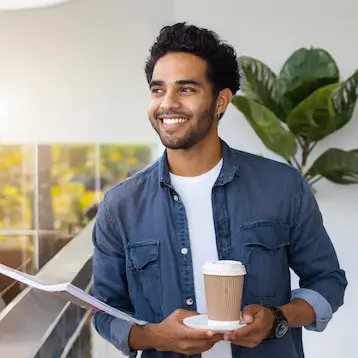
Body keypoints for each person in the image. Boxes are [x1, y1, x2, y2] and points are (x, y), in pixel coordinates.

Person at [92, 22, 347, 358]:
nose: (167, 104)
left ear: (220, 101)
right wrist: (154, 336)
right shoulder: (120, 205)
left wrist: (278, 319)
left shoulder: (282, 186)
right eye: (158, 90)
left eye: (186, 89)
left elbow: (328, 281)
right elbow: (105, 311)